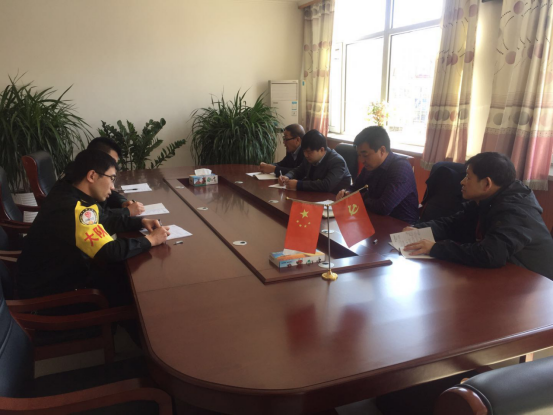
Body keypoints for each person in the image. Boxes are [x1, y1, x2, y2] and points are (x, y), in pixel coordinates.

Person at [16, 149, 170, 299]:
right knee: (138, 289)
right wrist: (151, 240)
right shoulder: (75, 208)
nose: (112, 187)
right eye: (111, 178)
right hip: (52, 294)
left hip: (52, 276)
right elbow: (110, 251)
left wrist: (140, 222)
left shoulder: (67, 190)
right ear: (92, 175)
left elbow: (103, 220)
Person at [403, 152, 553, 279]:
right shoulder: (487, 200)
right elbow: (454, 224)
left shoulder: (516, 211)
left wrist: (435, 248)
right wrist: (418, 229)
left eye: (468, 177)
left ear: (486, 184)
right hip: (505, 274)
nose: (462, 182)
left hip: (535, 284)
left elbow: (490, 254)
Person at [335, 126, 418, 223]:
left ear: (382, 150)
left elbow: (384, 207)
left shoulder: (401, 168)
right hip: (374, 219)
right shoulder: (370, 166)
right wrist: (345, 193)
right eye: (359, 155)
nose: (361, 160)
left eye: (365, 155)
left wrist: (360, 198)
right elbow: (355, 188)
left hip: (401, 226)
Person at [62, 137, 145, 216]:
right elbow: (99, 217)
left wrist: (122, 202)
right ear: (97, 156)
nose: (114, 166)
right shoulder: (69, 191)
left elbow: (109, 193)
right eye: (110, 161)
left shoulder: (82, 173)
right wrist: (127, 211)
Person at [279, 129, 351, 194]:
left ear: (322, 150)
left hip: (333, 199)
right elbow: (298, 170)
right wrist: (287, 176)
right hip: (315, 196)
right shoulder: (310, 157)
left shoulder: (337, 161)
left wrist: (298, 184)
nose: (306, 155)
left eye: (309, 152)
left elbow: (326, 185)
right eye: (304, 151)